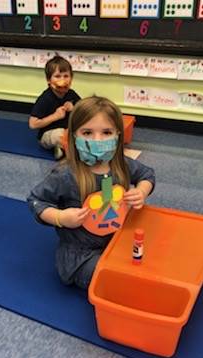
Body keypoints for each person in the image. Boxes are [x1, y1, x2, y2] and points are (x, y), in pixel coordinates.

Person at [27, 96, 155, 290]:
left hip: (117, 239)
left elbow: (147, 174)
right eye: (87, 132)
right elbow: (36, 200)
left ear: (118, 135)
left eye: (106, 132)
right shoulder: (65, 174)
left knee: (152, 258)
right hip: (81, 253)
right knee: (117, 281)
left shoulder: (121, 164)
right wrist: (60, 217)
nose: (98, 140)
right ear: (74, 136)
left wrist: (141, 191)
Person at [29, 55, 81, 159]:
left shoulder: (71, 94)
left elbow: (85, 111)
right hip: (49, 134)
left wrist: (74, 108)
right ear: (49, 80)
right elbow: (33, 124)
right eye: (57, 76)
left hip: (69, 130)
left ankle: (66, 146)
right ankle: (63, 147)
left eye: (66, 76)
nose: (63, 80)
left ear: (71, 78)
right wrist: (55, 116)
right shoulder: (45, 98)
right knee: (60, 134)